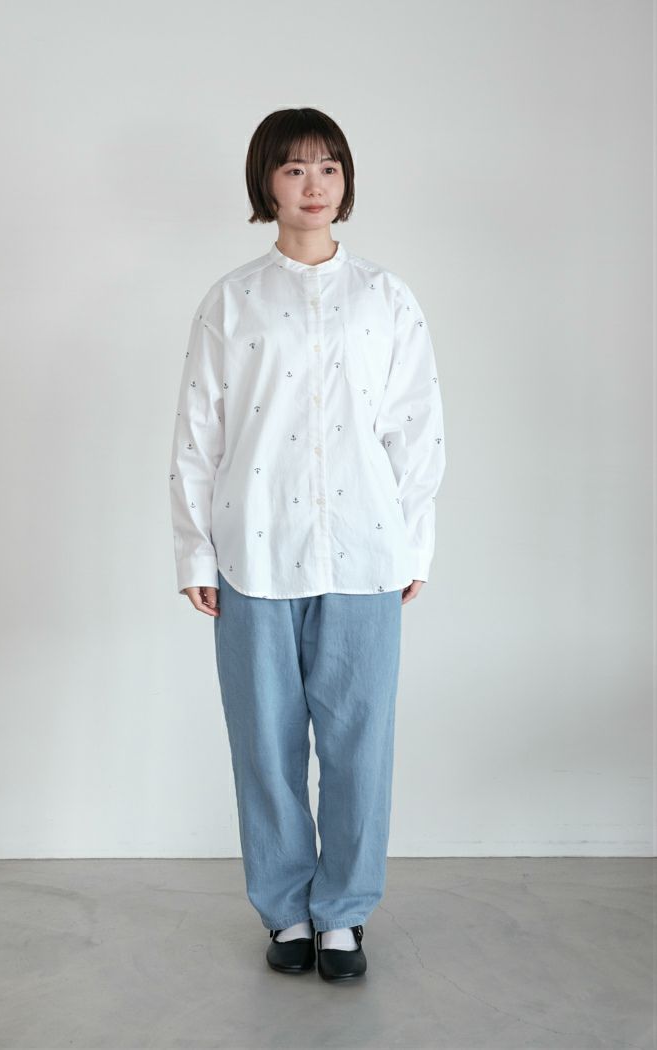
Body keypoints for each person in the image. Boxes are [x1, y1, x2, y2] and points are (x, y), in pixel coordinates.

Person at [169, 107, 446, 981]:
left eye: (328, 167)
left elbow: (416, 429)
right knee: (266, 742)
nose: (313, 185)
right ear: (266, 184)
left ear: (346, 180)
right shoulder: (233, 300)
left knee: (361, 745)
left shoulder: (385, 297)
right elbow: (199, 434)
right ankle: (287, 911)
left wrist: (415, 546)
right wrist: (195, 552)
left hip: (365, 553)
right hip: (254, 553)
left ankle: (345, 915)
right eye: (293, 169)